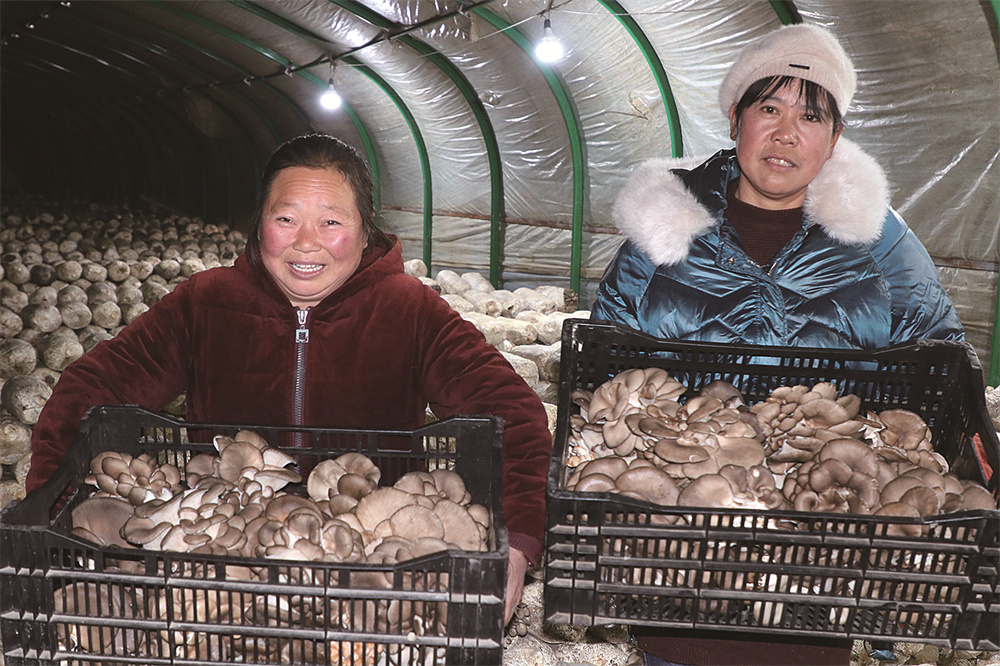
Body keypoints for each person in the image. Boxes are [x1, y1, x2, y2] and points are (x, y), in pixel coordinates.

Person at [26, 133, 552, 625]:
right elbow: (90, 390)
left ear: (365, 229)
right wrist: (54, 506)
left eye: (330, 222)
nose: (306, 244)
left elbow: (512, 414)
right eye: (285, 218)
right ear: (259, 225)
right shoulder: (206, 303)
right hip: (224, 556)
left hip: (370, 566)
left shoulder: (409, 310)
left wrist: (519, 542)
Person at [590, 23, 964, 666]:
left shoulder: (884, 248)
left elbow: (939, 366)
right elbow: (599, 374)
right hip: (679, 570)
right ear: (736, 117)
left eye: (811, 115)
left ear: (835, 135)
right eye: (769, 107)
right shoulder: (661, 232)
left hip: (821, 578)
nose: (787, 132)